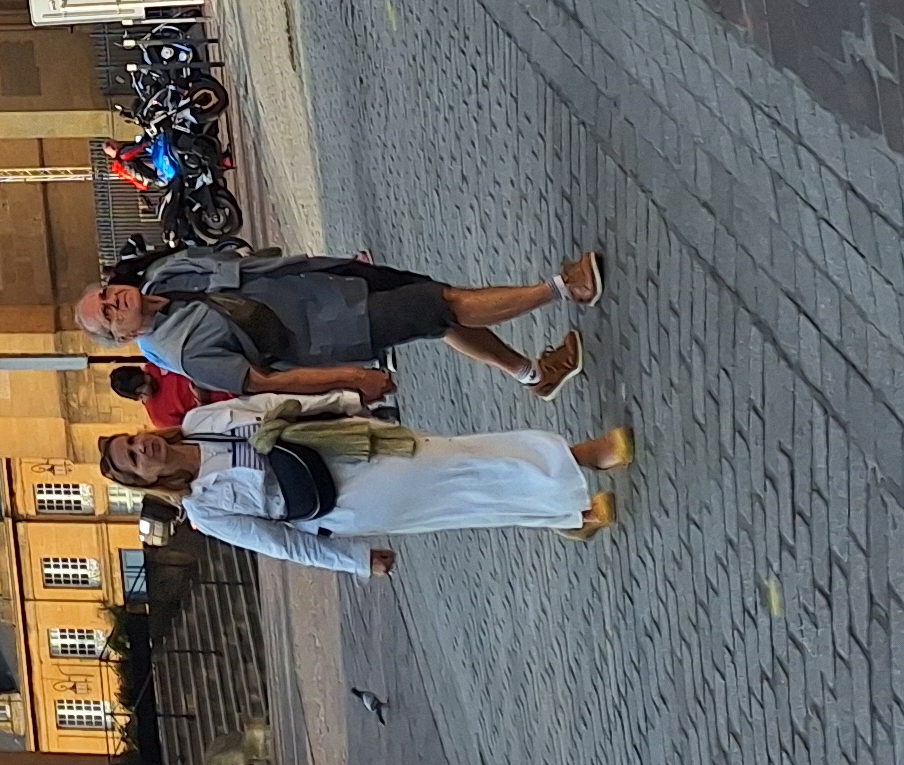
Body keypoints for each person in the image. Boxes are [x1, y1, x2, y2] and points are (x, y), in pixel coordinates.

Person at [102, 394, 632, 572]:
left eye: (133, 439)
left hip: (346, 443)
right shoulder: (204, 510)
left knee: (454, 456)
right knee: (457, 491)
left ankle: (572, 495)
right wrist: (355, 561)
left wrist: (347, 399)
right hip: (342, 503)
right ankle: (579, 476)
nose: (141, 448)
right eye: (133, 460)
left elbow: (271, 408)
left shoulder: (201, 422)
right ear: (146, 480)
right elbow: (279, 543)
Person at [70, 244, 604, 399]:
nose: (114, 300)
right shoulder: (184, 354)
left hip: (328, 278)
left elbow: (243, 260)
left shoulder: (164, 273)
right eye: (108, 314)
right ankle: (564, 287)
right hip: (335, 330)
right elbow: (265, 382)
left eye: (106, 293)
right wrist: (351, 378)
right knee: (445, 305)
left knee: (436, 315)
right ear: (119, 337)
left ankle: (533, 375)